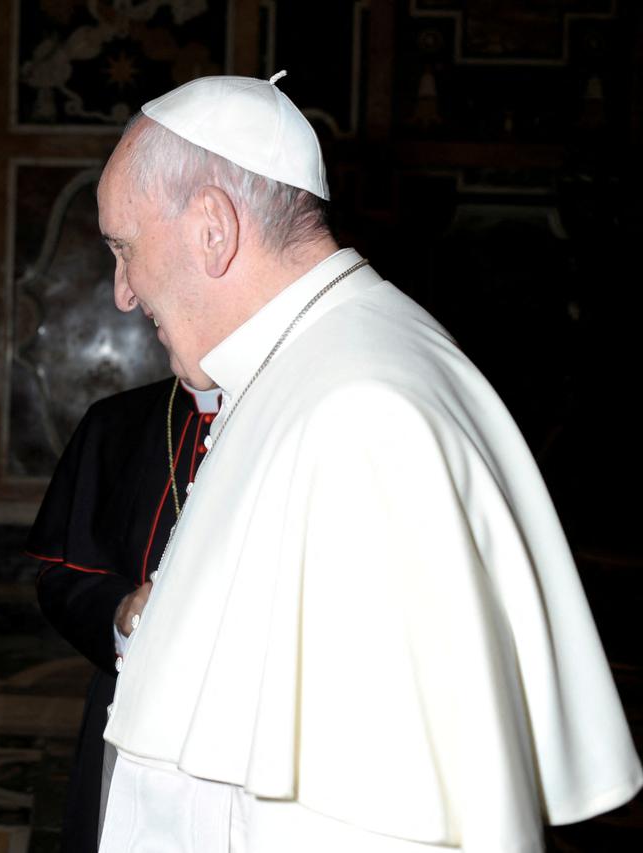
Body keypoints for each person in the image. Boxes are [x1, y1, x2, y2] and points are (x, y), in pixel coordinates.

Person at [95, 73, 641, 851]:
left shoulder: (360, 414)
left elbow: (381, 815)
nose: (123, 292)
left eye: (125, 247)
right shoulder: (319, 360)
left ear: (212, 228)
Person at [27, 376, 220, 852]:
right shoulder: (117, 420)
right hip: (126, 703)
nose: (125, 298)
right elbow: (61, 573)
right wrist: (118, 611)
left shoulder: (304, 414)